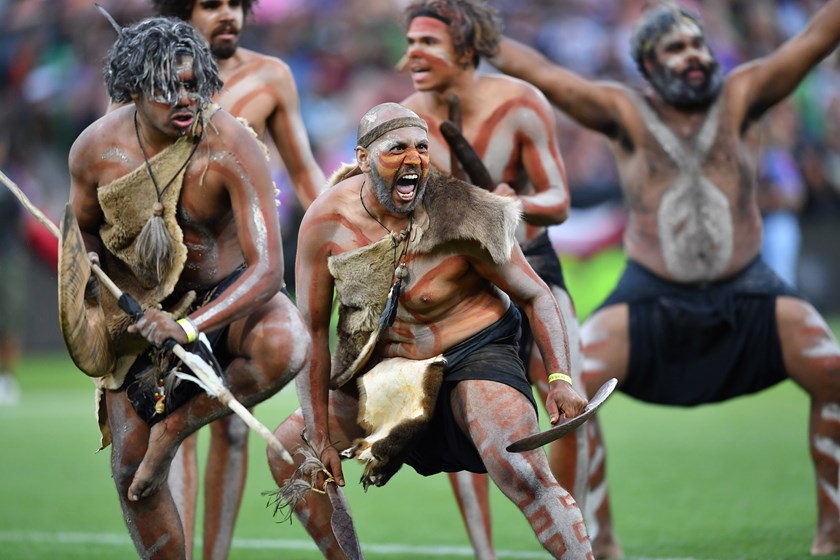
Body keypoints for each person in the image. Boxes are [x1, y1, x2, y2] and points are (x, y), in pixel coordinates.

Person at [491, 1, 840, 556]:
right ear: (648, 66)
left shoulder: (744, 94)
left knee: (831, 368)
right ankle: (599, 543)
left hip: (748, 286)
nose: (694, 56)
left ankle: (833, 531)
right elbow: (543, 73)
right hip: (651, 293)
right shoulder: (625, 112)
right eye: (676, 49)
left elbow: (815, 39)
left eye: (697, 44)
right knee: (576, 387)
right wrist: (471, 24)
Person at [266, 102, 594, 559]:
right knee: (289, 450)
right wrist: (319, 436)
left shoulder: (464, 213)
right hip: (391, 376)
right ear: (362, 159)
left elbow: (538, 295)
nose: (414, 159)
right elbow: (313, 330)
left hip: (474, 355)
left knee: (519, 468)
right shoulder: (326, 222)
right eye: (396, 148)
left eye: (421, 148)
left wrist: (559, 378)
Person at [67, 16, 310, 558]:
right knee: (131, 472)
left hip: (224, 305)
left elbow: (269, 270)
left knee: (287, 343)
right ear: (132, 89)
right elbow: (81, 226)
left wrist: (188, 325)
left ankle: (172, 429)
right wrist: (82, 261)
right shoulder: (94, 151)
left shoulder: (230, 143)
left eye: (191, 83)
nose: (183, 98)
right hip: (139, 318)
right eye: (165, 87)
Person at [396, 1, 585, 557]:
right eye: (409, 42)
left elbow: (560, 199)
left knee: (568, 392)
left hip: (533, 265)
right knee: (461, 407)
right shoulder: (408, 118)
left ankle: (571, 526)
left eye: (426, 43)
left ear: (467, 48)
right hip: (460, 285)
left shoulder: (522, 103)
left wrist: (514, 203)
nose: (412, 53)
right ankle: (484, 552)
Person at [149, 2, 326, 557]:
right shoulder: (148, 80)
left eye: (235, 3)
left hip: (239, 274)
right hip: (167, 280)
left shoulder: (271, 75)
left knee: (227, 420)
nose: (227, 14)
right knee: (169, 412)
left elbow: (301, 171)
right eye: (210, 3)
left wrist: (341, 235)